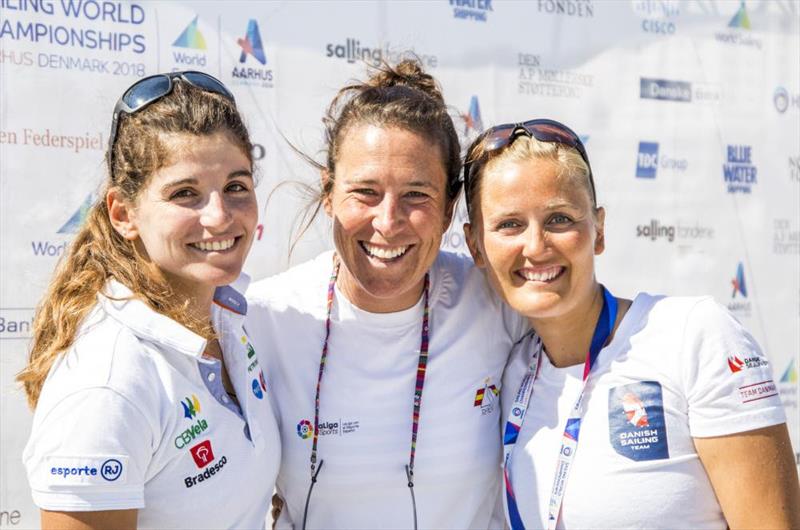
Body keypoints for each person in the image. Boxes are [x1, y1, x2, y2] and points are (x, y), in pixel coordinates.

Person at [462, 118, 800, 529]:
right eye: (509, 225)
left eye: (559, 219)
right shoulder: (512, 375)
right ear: (475, 245)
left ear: (598, 229)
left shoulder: (693, 335)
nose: (536, 246)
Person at [246, 59, 526, 529]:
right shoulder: (266, 318)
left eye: (417, 194)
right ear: (329, 192)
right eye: (365, 192)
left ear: (448, 208)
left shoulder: (498, 302)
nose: (388, 221)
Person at [18, 71, 280, 530]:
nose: (219, 216)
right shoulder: (108, 382)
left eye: (236, 186)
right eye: (186, 194)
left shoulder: (230, 315)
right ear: (124, 213)